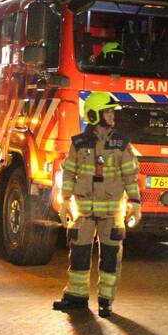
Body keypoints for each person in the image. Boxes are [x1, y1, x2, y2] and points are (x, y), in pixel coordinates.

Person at [53, 91, 141, 318]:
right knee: (79, 255)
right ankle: (77, 297)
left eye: (112, 112)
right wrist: (64, 201)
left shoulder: (121, 144)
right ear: (94, 115)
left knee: (111, 258)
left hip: (112, 213)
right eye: (108, 112)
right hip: (83, 212)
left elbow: (130, 176)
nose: (113, 116)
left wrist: (135, 203)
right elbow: (69, 172)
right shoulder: (79, 143)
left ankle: (105, 301)